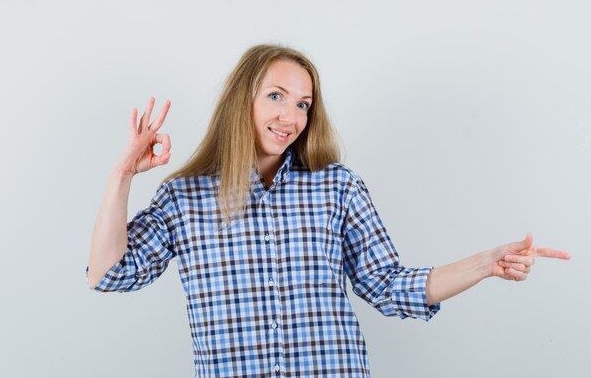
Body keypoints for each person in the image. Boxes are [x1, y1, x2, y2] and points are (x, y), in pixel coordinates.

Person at [86, 44, 570, 377]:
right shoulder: (184, 198)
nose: (290, 117)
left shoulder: (337, 188)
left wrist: (484, 265)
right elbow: (107, 274)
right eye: (276, 96)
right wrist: (123, 174)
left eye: (303, 104)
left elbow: (388, 285)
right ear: (242, 99)